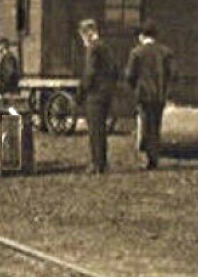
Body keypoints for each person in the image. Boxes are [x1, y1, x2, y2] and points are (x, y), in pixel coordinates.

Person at [125, 19, 175, 170]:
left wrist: (135, 88)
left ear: (142, 36)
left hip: (143, 95)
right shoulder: (166, 52)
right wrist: (166, 90)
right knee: (156, 126)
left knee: (145, 126)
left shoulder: (136, 53)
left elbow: (130, 75)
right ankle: (154, 158)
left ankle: (147, 158)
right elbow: (173, 74)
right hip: (159, 95)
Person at [75, 19, 119, 174]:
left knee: (94, 130)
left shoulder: (92, 48)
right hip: (106, 93)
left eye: (82, 36)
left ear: (87, 33)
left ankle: (96, 163)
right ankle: (103, 162)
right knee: (101, 129)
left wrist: (81, 92)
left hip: (94, 95)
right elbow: (115, 70)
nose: (82, 40)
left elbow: (89, 73)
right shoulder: (106, 47)